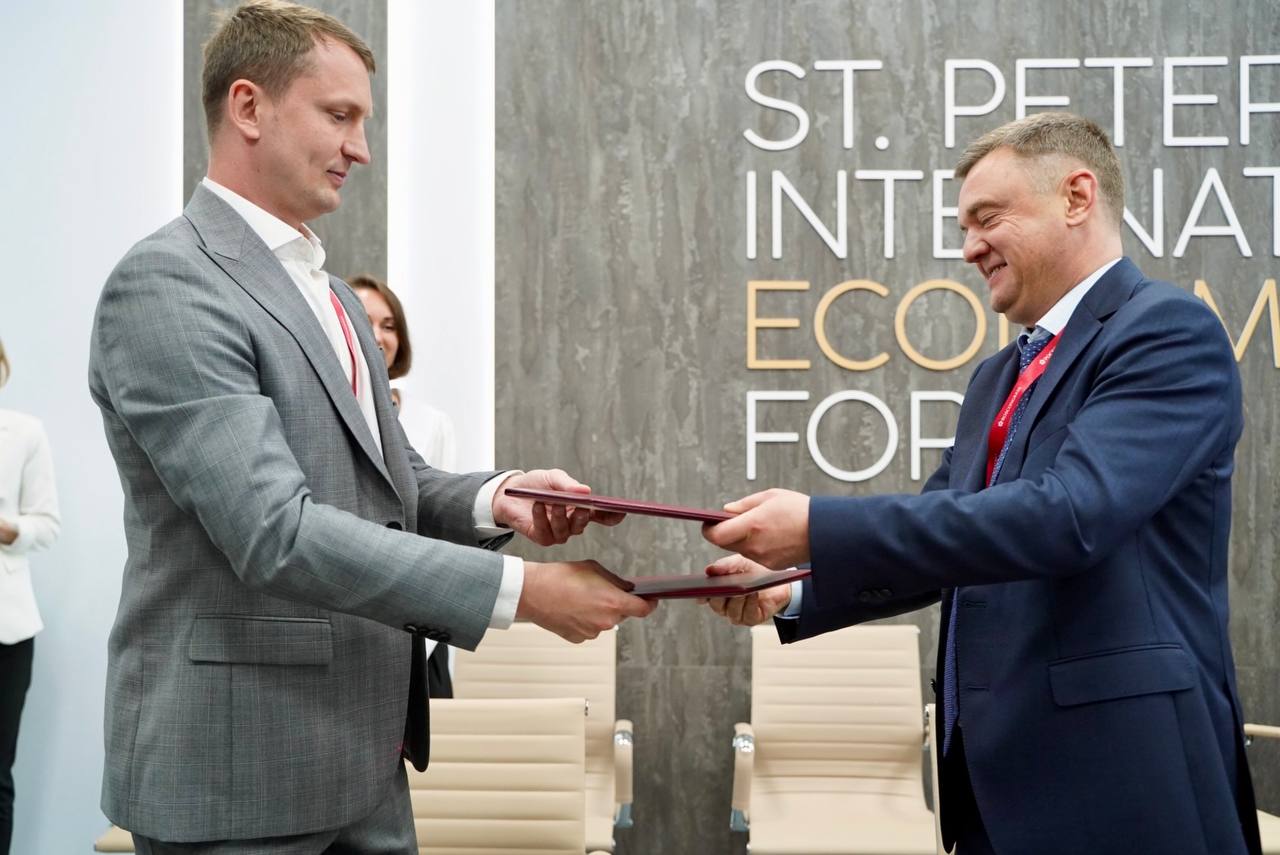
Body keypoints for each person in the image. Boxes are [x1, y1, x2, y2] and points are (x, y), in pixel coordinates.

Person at [88, 2, 654, 852]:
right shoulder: (169, 283)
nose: (361, 149)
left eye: (364, 121)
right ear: (248, 106)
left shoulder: (332, 296)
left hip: (366, 757)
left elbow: (394, 483)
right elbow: (274, 533)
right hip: (238, 772)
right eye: (339, 115)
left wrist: (501, 499)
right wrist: (525, 593)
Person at [701, 113, 1261, 855]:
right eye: (964, 228)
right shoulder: (999, 376)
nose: (969, 248)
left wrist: (817, 525)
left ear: (1076, 197)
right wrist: (790, 585)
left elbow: (1069, 515)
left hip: (1121, 777)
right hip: (993, 790)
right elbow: (946, 533)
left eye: (988, 219)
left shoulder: (1166, 331)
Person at [351, 272, 457, 697]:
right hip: (349, 617)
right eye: (364, 321)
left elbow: (441, 524)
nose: (378, 336)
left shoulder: (431, 422)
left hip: (422, 620)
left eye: (389, 325)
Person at [0, 337, 61, 855]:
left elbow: (47, 525)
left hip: (7, 628)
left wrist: (6, 528)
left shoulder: (24, 433)